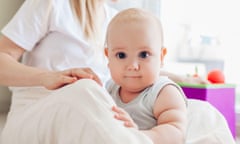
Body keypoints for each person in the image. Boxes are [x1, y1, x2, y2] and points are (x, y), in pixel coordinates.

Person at [0, 0, 206, 143]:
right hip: (39, 114)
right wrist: (48, 77)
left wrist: (180, 79)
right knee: (86, 89)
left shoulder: (115, 20)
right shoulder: (52, 4)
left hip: (96, 108)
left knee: (198, 112)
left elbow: (138, 65)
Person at [104, 8, 187, 144]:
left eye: (144, 55)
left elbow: (176, 132)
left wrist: (139, 137)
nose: (132, 66)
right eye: (121, 55)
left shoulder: (163, 92)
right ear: (108, 57)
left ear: (161, 57)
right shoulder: (109, 90)